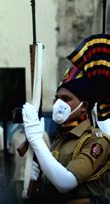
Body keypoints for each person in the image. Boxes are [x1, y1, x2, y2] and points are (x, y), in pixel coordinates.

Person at [22, 34, 110, 202]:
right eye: (57, 98)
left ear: (83, 107)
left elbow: (65, 182)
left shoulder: (96, 141)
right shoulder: (60, 139)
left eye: (66, 99)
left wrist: (35, 138)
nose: (58, 104)